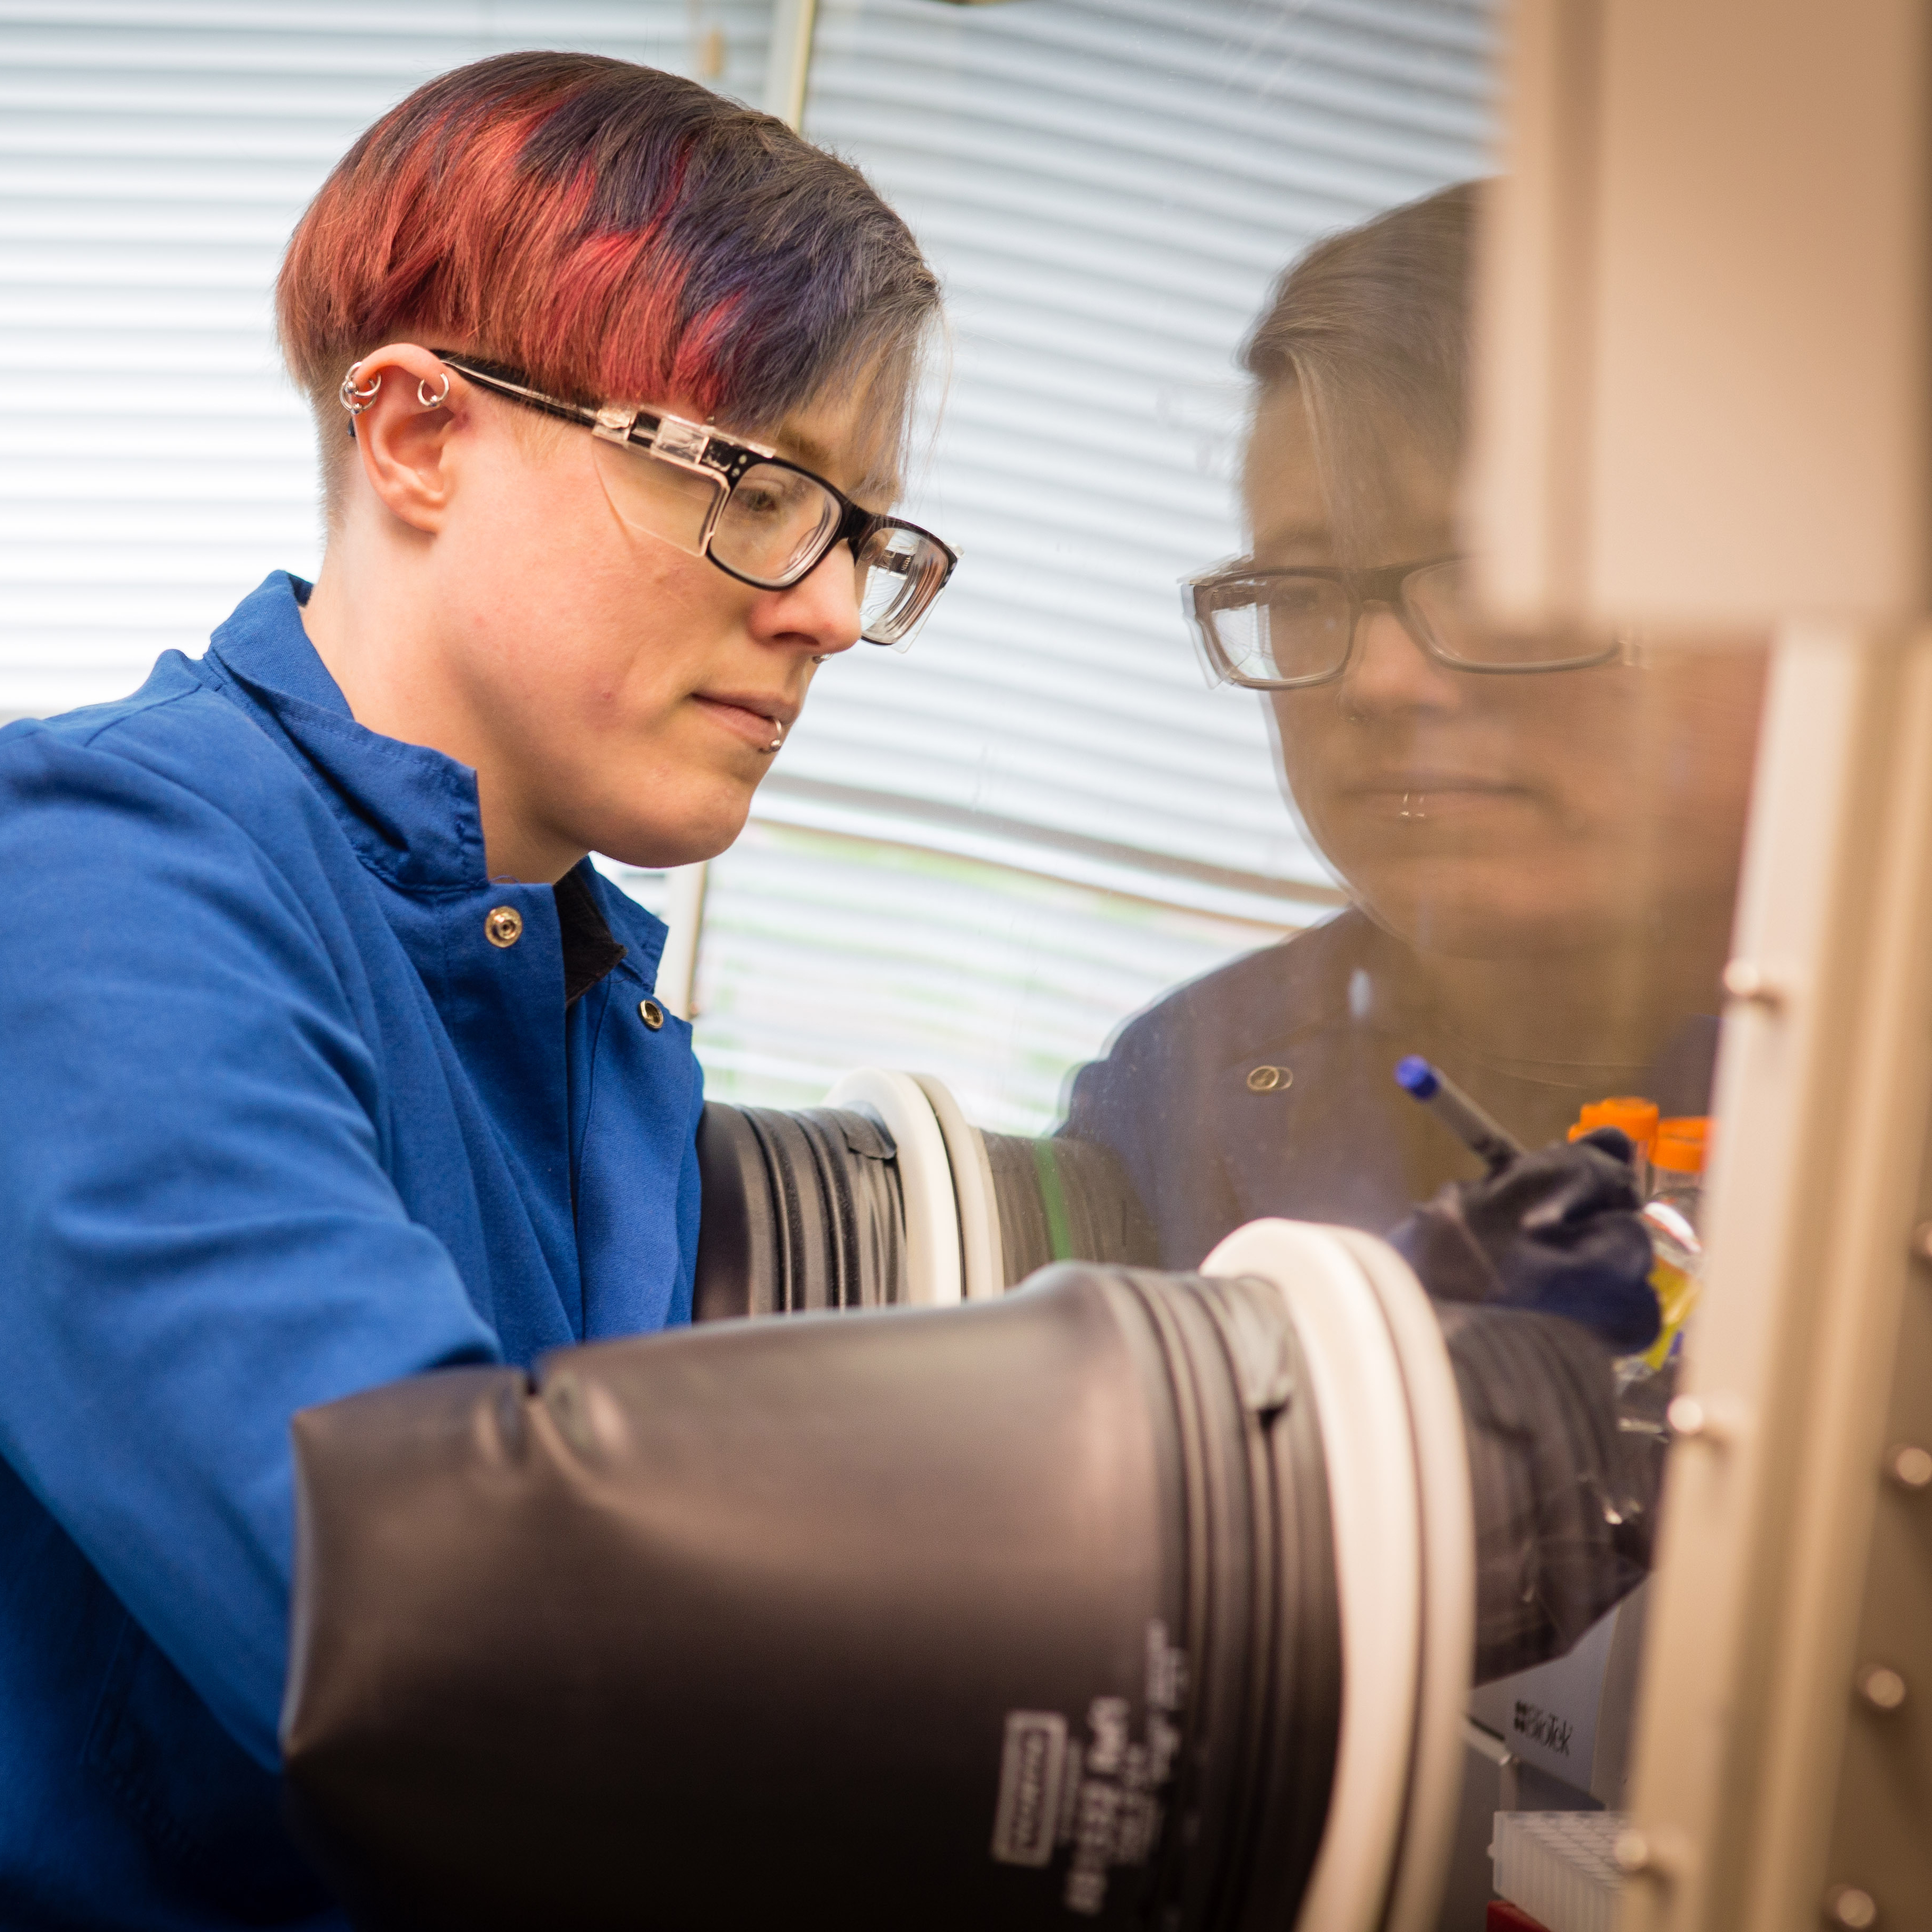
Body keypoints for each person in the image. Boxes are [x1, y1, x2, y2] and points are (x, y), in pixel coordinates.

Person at [0, 52, 950, 1927]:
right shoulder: (93, 877)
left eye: (860, 530)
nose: (829, 606)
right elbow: (469, 1649)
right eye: (759, 487)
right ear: (418, 432)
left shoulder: (595, 1003)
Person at [1065, 183, 1767, 1273]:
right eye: (1300, 591)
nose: (1381, 683)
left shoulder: (1874, 1099)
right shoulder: (1186, 1090)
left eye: (1497, 580)